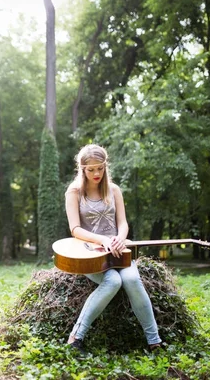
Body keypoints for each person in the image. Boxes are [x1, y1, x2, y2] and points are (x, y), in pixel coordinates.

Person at [64, 144, 162, 353]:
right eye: (90, 170)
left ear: (105, 166)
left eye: (100, 168)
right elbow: (75, 229)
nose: (96, 173)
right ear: (82, 168)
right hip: (91, 255)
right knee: (113, 280)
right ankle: (75, 338)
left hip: (118, 250)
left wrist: (118, 238)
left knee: (131, 279)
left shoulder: (114, 190)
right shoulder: (73, 192)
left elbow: (123, 223)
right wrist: (102, 240)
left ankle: (154, 342)